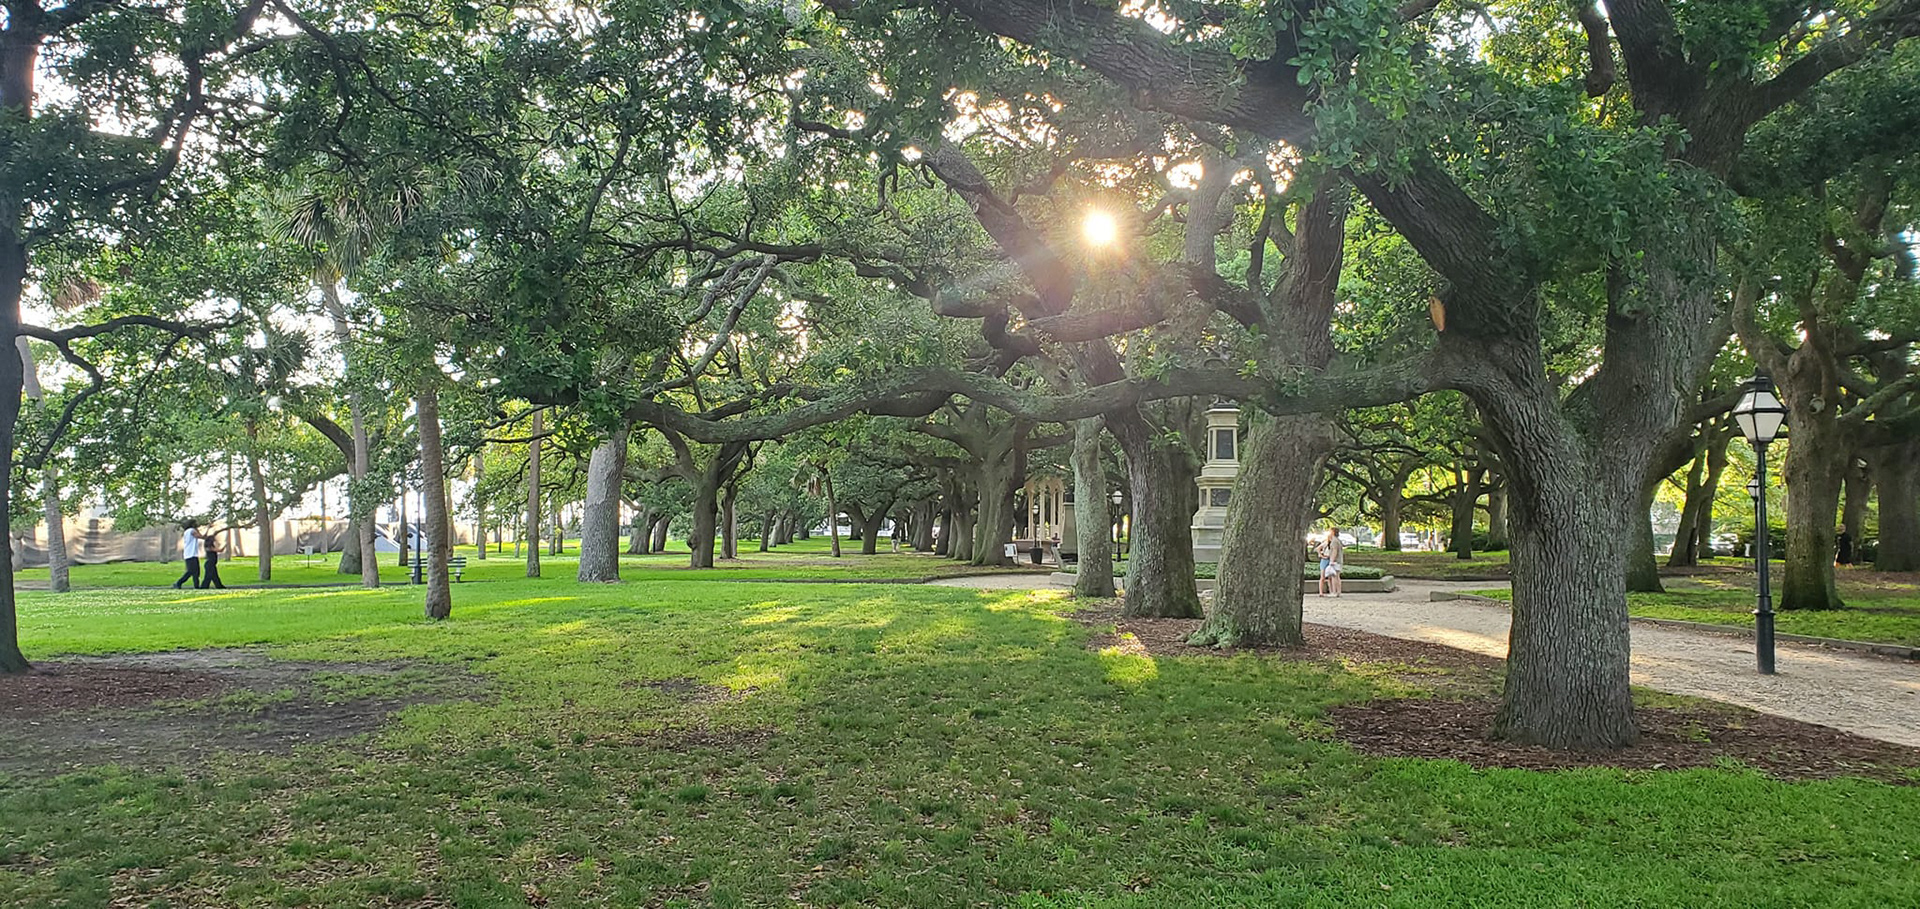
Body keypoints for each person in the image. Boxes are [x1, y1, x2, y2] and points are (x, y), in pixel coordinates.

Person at [172, 521, 202, 589]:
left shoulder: (186, 532)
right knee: (191, 571)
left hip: (191, 554)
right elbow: (199, 536)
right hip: (191, 554)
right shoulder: (191, 530)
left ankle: (196, 586)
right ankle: (178, 583)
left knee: (196, 571)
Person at [1318, 525, 1345, 598]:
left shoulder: (1334, 541)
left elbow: (1334, 551)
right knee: (1337, 577)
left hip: (1335, 561)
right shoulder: (1338, 540)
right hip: (1338, 560)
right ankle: (1338, 592)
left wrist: (1332, 561)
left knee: (1334, 577)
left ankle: (1334, 592)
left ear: (1333, 532)